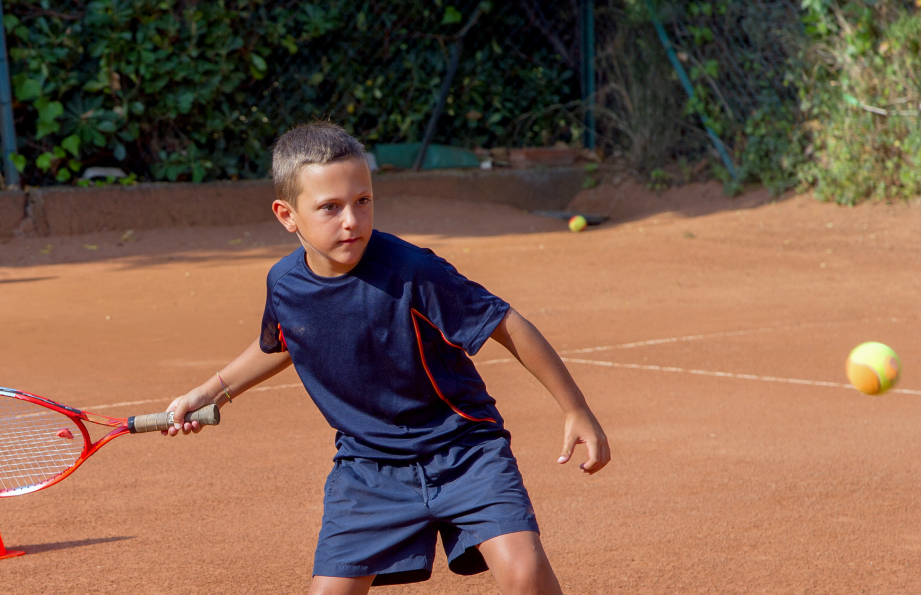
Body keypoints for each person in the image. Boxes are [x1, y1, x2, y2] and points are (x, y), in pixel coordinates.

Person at [161, 122, 611, 595]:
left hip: (463, 451)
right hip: (367, 466)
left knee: (526, 576)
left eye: (363, 201)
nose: (351, 220)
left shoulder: (413, 271)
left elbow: (506, 323)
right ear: (286, 215)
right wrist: (210, 392)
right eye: (330, 208)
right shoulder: (285, 284)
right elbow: (284, 342)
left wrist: (575, 409)